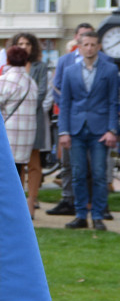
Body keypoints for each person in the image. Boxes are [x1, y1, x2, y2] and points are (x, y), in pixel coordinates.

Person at [58, 30, 118, 231]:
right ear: (80, 46)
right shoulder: (70, 71)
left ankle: (99, 216)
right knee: (78, 173)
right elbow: (64, 103)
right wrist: (63, 131)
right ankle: (81, 215)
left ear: (99, 47)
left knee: (100, 174)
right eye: (86, 44)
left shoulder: (110, 71)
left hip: (101, 131)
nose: (90, 48)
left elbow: (113, 102)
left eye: (93, 45)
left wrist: (112, 130)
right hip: (75, 130)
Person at [46, 23, 104, 216]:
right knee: (71, 166)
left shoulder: (105, 63)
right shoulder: (66, 61)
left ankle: (96, 207)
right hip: (72, 120)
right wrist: (70, 110)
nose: (87, 44)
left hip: (97, 123)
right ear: (77, 40)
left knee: (96, 168)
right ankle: (70, 201)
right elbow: (57, 89)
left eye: (90, 41)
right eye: (82, 38)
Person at [0, 45, 39, 214]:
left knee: (5, 174)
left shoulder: (4, 80)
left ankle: (7, 209)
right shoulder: (31, 82)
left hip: (8, 134)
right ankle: (18, 210)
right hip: (26, 135)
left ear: (8, 60)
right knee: (19, 172)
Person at [9, 32, 49, 215]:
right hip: (14, 124)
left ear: (33, 46)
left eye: (27, 43)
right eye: (20, 43)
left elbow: (41, 93)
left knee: (34, 164)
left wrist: (25, 109)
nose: (24, 46)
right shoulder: (7, 69)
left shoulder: (40, 67)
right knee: (18, 163)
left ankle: (31, 202)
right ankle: (18, 204)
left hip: (34, 121)